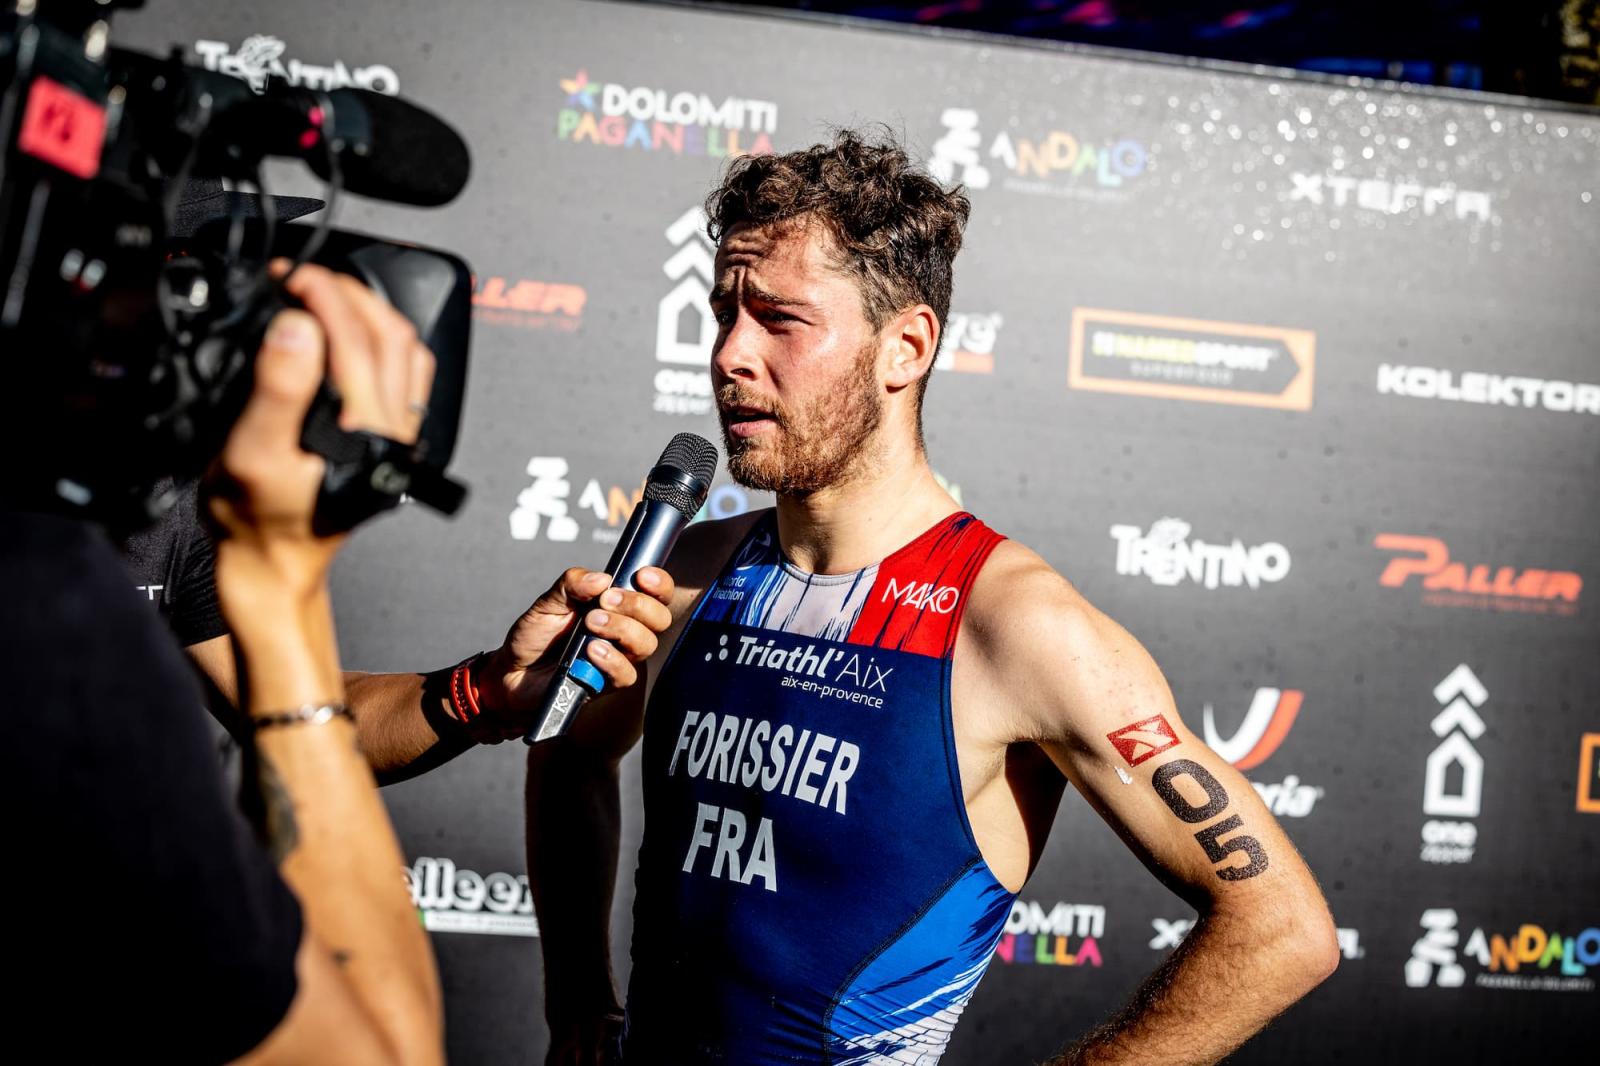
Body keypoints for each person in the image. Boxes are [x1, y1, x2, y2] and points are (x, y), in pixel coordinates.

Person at [528, 130, 1339, 1066]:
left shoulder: (1017, 625)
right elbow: (569, 750)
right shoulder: (688, 571)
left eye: (780, 320)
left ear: (904, 347)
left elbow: (1281, 927)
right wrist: (577, 1001)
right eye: (724, 313)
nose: (730, 355)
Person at [2, 258, 667, 1062]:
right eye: (186, 288)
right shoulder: (46, 566)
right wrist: (283, 581)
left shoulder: (162, 500)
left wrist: (484, 692)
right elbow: (383, 1047)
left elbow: (280, 704)